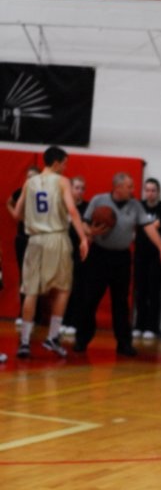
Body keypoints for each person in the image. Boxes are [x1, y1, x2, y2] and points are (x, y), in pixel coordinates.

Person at [73, 173, 161, 357]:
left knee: (121, 303)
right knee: (90, 299)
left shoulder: (135, 206)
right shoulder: (99, 200)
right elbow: (84, 224)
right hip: (99, 256)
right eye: (129, 186)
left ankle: (124, 344)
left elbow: (148, 227)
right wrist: (90, 231)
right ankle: (82, 340)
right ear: (117, 187)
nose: (133, 190)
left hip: (122, 259)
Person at [13, 146, 88, 359]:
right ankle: (52, 337)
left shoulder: (29, 182)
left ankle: (24, 342)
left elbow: (17, 214)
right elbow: (72, 210)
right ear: (56, 163)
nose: (65, 167)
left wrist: (34, 220)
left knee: (31, 291)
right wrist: (83, 238)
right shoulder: (62, 181)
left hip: (34, 239)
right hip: (56, 237)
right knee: (63, 288)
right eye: (64, 163)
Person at [132, 178, 161, 340]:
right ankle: (139, 325)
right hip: (140, 254)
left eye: (153, 190)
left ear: (158, 192)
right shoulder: (138, 207)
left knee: (154, 291)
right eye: (147, 190)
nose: (150, 193)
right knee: (140, 291)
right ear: (144, 191)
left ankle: (152, 327)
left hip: (157, 256)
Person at [6, 165, 41, 325]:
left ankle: (36, 315)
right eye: (28, 177)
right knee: (24, 277)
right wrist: (17, 216)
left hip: (38, 240)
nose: (30, 179)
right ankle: (23, 313)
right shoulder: (21, 192)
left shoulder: (44, 195)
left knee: (37, 278)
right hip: (22, 239)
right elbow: (9, 202)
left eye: (34, 176)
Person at [61, 176, 88, 336]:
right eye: (77, 187)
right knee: (63, 288)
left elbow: (89, 230)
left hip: (80, 253)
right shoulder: (63, 205)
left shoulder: (87, 207)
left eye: (82, 188)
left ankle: (74, 321)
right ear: (70, 189)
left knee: (78, 287)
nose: (79, 191)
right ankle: (63, 320)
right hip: (64, 251)